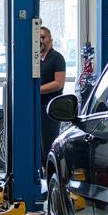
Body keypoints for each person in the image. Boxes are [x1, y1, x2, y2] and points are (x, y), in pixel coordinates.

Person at [39, 26, 67, 159]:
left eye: (43, 37)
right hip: (36, 108)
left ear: (50, 40)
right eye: (38, 37)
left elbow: (58, 84)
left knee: (49, 142)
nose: (40, 40)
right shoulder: (35, 60)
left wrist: (36, 91)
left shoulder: (57, 58)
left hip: (51, 109)